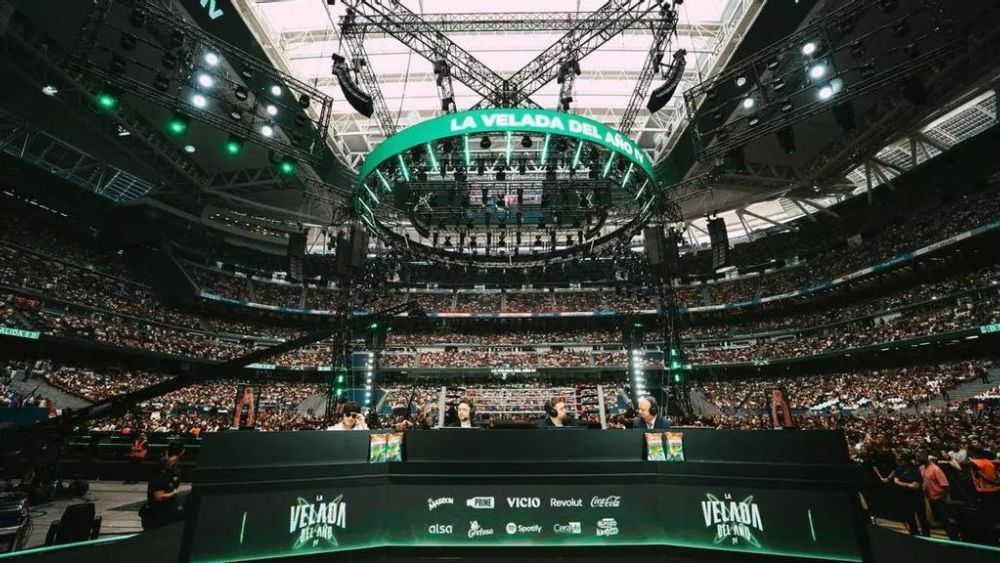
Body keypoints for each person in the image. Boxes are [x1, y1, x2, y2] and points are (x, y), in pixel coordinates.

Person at [881, 451, 929, 536]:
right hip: (905, 497)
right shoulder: (899, 469)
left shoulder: (915, 469)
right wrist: (907, 485)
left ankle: (926, 535)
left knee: (922, 517)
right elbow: (896, 481)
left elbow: (915, 486)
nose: (898, 462)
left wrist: (902, 483)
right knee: (910, 518)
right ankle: (915, 534)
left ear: (906, 461)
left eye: (901, 460)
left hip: (917, 497)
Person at [916, 450, 958, 540]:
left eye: (919, 457)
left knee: (945, 522)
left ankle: (955, 540)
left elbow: (945, 486)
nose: (917, 459)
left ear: (925, 456)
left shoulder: (936, 469)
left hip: (938, 499)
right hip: (927, 499)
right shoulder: (921, 468)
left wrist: (940, 498)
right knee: (926, 521)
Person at [142, 442, 185, 530]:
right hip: (157, 513)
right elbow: (159, 497)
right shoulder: (160, 474)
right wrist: (173, 493)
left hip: (167, 509)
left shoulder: (174, 472)